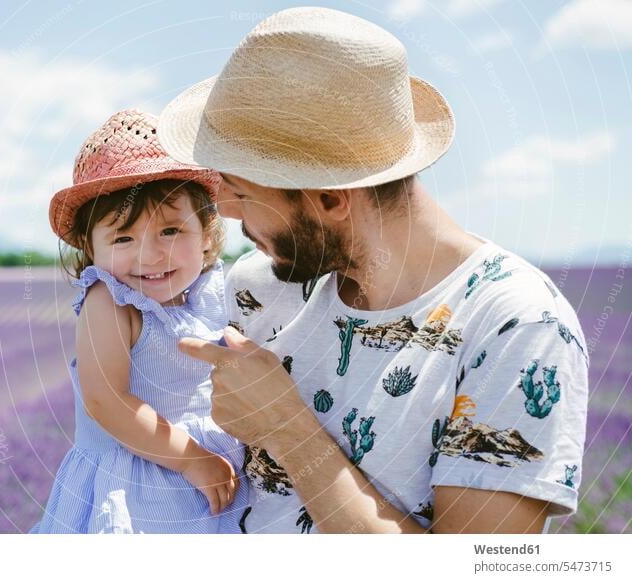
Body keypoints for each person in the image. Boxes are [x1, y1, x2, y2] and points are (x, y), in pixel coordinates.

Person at [157, 7, 589, 533]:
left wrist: (289, 429)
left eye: (243, 192)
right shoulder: (257, 285)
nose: (223, 210)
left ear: (331, 199)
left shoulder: (517, 327)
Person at [30, 109, 247, 533]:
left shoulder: (211, 295)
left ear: (206, 234)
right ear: (90, 249)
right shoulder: (110, 302)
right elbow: (105, 400)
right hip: (136, 487)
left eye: (170, 232)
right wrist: (190, 458)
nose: (149, 256)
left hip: (212, 474)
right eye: (123, 238)